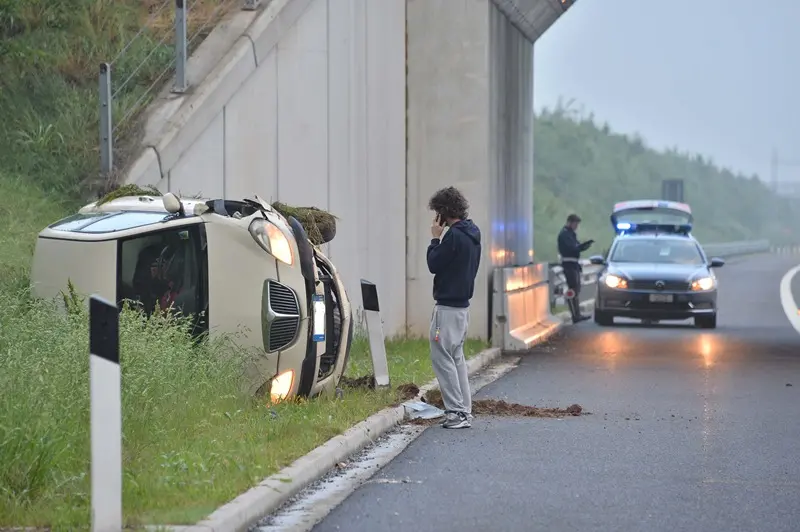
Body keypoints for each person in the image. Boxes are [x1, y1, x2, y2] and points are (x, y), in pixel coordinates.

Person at [426, 186, 482, 429]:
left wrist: (434, 237)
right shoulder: (473, 232)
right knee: (456, 358)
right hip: (462, 308)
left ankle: (456, 412)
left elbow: (433, 263)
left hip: (447, 308)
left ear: (442, 213)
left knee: (441, 357)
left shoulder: (453, 236)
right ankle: (464, 410)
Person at [557, 213, 594, 323]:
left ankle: (577, 314)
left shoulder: (571, 234)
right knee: (573, 290)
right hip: (569, 264)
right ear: (569, 222)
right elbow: (572, 248)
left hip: (574, 264)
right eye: (575, 224)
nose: (576, 226)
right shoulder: (564, 234)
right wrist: (580, 247)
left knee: (576, 289)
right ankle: (575, 315)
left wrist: (584, 246)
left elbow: (576, 247)